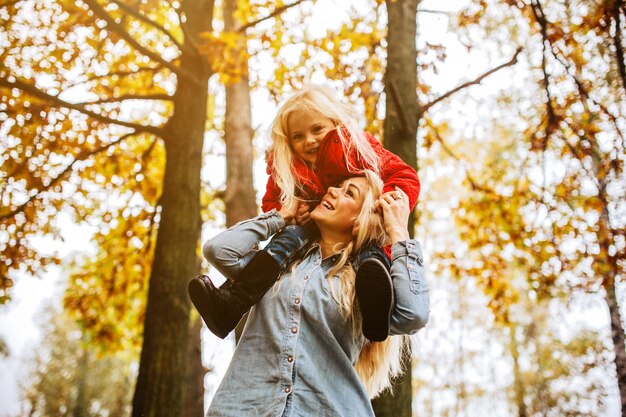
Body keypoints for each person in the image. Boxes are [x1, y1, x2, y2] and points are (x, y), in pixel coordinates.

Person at [189, 85, 420, 342]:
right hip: (309, 232)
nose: (309, 140)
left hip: (362, 223)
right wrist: (287, 215)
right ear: (288, 141)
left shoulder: (355, 146)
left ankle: (375, 304)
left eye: (317, 129)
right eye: (298, 136)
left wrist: (388, 201)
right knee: (280, 245)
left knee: (370, 253)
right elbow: (272, 202)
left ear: (335, 124)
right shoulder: (286, 167)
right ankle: (233, 303)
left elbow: (402, 174)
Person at [201, 171, 429, 416]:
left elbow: (412, 315)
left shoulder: (367, 284)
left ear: (359, 219)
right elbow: (219, 250)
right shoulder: (274, 266)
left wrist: (398, 232)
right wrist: (279, 218)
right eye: (337, 185)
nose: (332, 190)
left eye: (349, 192)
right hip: (245, 408)